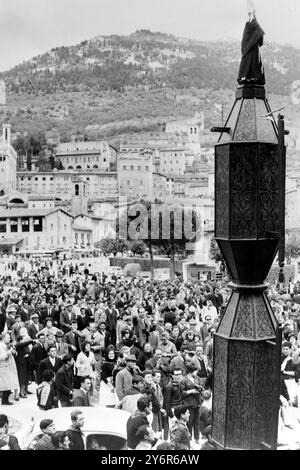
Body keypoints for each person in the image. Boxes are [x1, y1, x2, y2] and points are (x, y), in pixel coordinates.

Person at [237, 7, 265, 85]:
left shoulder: (249, 25)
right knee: (253, 65)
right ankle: (252, 77)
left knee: (249, 64)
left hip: (249, 50)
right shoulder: (254, 25)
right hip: (253, 50)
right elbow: (260, 40)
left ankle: (246, 77)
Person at [0, 332, 19, 405]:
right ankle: (5, 401)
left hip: (9, 367)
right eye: (7, 338)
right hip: (3, 367)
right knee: (6, 385)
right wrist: (9, 352)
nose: (9, 339)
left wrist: (13, 351)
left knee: (9, 384)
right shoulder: (0, 346)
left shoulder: (7, 345)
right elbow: (1, 357)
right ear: (3, 338)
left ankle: (5, 400)